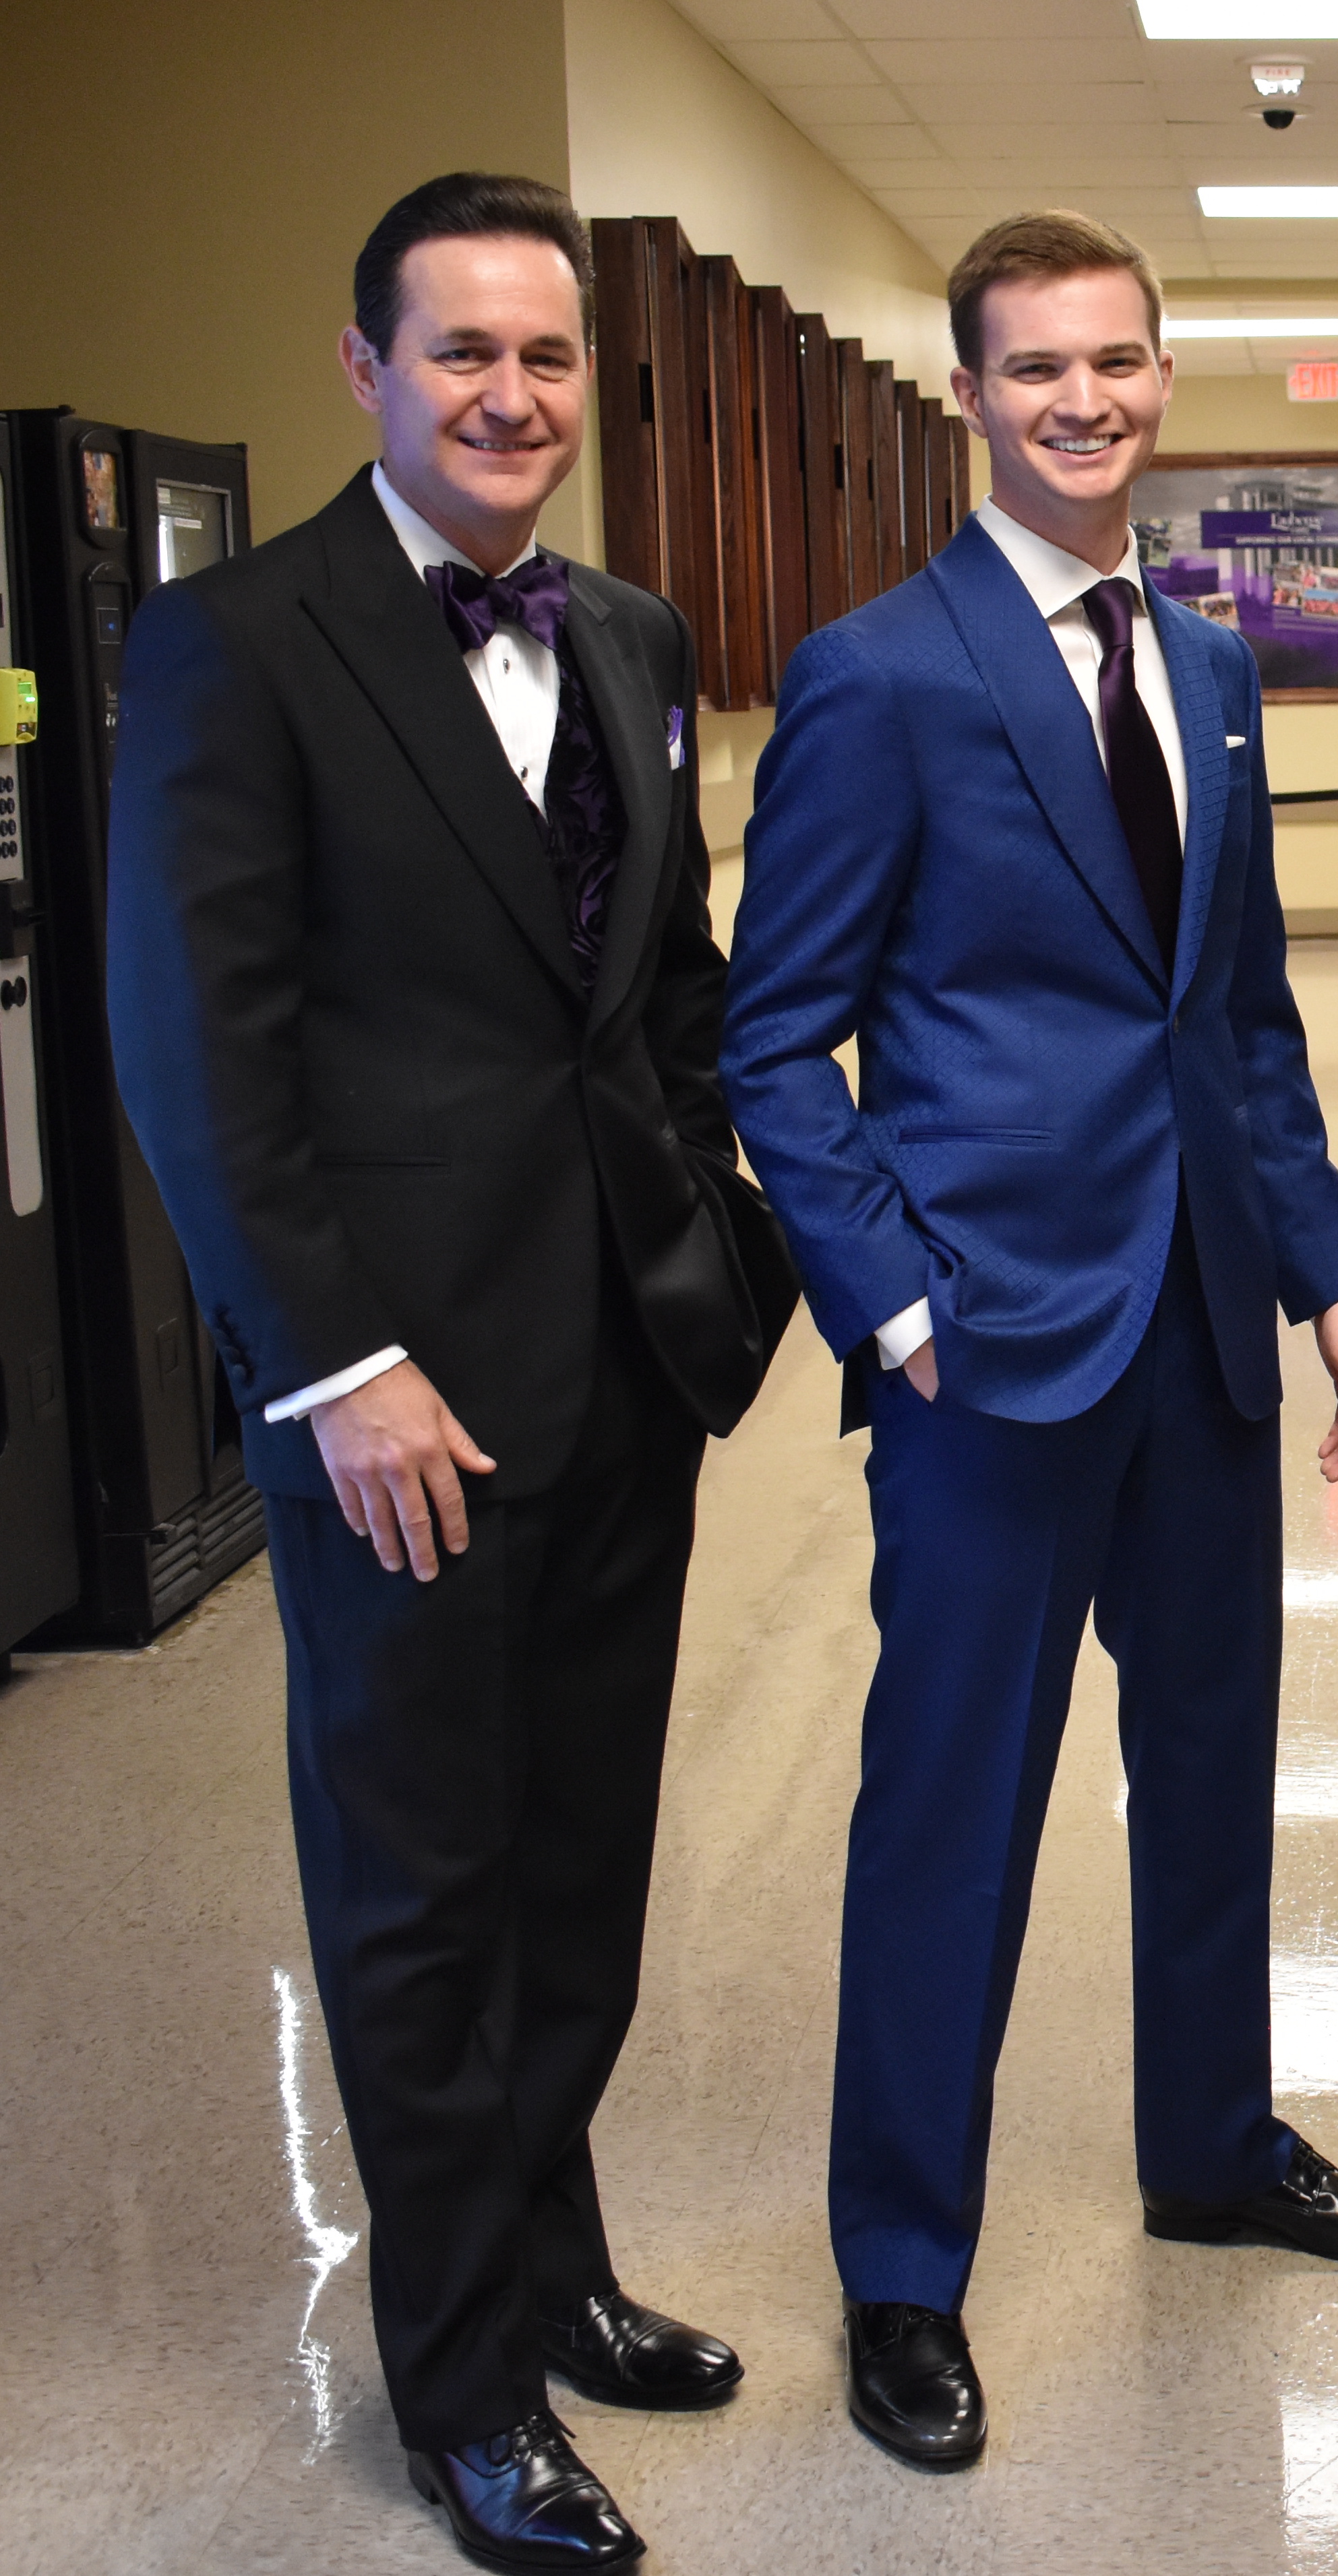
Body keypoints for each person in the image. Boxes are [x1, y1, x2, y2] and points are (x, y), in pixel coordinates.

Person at [720, 208, 1338, 2475]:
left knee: (1215, 1771)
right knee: (952, 1808)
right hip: (990, 1350)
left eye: (1116, 361)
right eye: (1036, 368)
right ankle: (902, 2268)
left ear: (1160, 377)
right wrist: (899, 1307)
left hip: (1199, 1331)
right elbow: (776, 1042)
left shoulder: (1209, 667)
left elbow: (1234, 1019)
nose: (1083, 401)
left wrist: (1332, 1272)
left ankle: (1213, 2148)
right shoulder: (879, 674)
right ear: (972, 395)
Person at [105, 175, 798, 2569]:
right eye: (462, 352)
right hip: (398, 1402)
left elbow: (666, 985)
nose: (511, 395)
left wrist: (720, 1239)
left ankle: (557, 2263)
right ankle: (466, 2389)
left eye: (547, 356)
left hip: (623, 1361)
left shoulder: (629, 630)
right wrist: (335, 1364)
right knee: (423, 1894)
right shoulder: (237, 642)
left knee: (582, 1864)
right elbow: (198, 1051)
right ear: (366, 369)